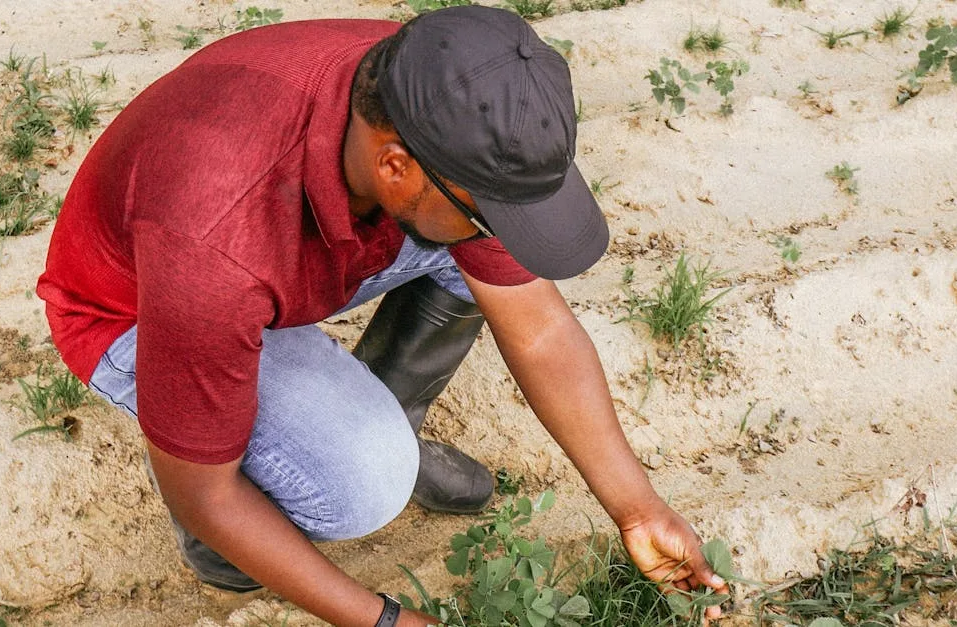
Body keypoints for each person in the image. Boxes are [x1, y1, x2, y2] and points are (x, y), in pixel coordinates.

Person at [36, 6, 728, 626]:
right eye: (489, 215)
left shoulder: (434, 94)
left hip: (269, 258)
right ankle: (225, 540)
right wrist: (387, 622)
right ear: (395, 167)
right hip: (139, 309)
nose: (499, 235)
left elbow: (540, 328)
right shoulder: (213, 243)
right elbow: (205, 496)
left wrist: (640, 509)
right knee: (365, 483)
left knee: (468, 253)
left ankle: (386, 412)